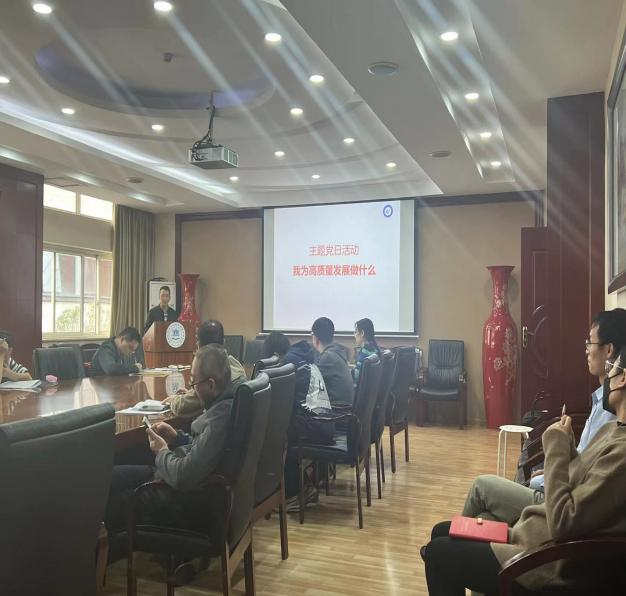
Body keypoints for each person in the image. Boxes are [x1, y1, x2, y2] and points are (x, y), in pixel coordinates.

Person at [422, 347, 626, 595]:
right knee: (441, 531)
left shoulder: (622, 454)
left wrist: (556, 448)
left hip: (546, 561)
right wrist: (568, 448)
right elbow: (581, 480)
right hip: (535, 537)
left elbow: (564, 521)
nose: (607, 379)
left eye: (611, 369)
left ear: (623, 378)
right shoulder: (612, 430)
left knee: (438, 554)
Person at [462, 309, 624, 525]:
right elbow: (585, 462)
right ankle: (458, 539)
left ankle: (452, 540)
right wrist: (567, 445)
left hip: (557, 500)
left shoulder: (611, 413)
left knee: (480, 487)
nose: (586, 350)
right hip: (559, 488)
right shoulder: (601, 402)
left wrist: (558, 446)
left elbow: (583, 483)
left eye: (590, 343)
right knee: (485, 518)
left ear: (609, 351)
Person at [105, 345, 235, 538]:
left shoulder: (219, 419)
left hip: (180, 499)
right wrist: (178, 438)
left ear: (211, 385)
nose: (191, 387)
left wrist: (162, 451)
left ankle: (112, 551)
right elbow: (204, 450)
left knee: (109, 492)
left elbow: (184, 476)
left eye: (193, 381)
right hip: (172, 478)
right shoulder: (227, 403)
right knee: (108, 476)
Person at [262, 331, 334, 509]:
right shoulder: (301, 358)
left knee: (275, 435)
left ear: (275, 355)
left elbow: (279, 405)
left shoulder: (288, 366)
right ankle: (303, 487)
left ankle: (293, 494)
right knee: (279, 428)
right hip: (323, 423)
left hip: (316, 426)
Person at [163, 320, 246, 417]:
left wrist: (173, 400)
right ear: (224, 341)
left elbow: (182, 407)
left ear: (198, 344)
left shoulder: (211, 373)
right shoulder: (235, 363)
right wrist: (191, 393)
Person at [311, 317, 354, 405]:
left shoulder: (327, 357)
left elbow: (312, 387)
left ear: (315, 338)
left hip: (336, 410)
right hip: (345, 407)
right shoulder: (338, 351)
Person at [353, 318, 380, 385]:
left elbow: (356, 376)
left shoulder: (365, 352)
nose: (354, 335)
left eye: (355, 332)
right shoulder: (374, 348)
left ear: (362, 333)